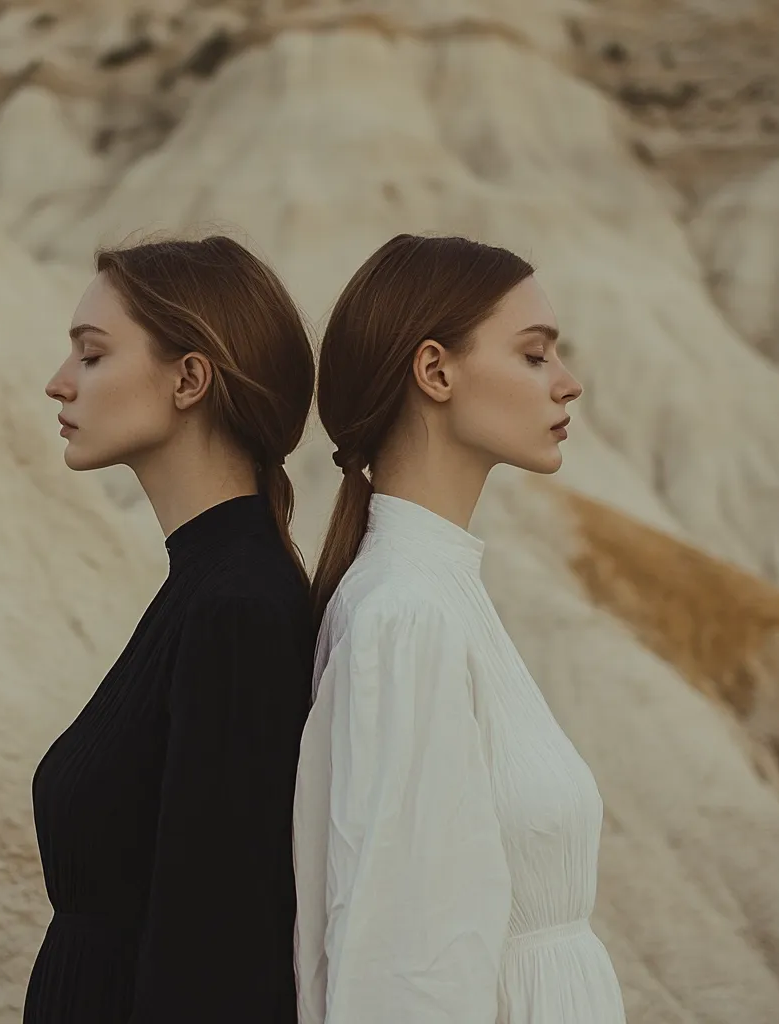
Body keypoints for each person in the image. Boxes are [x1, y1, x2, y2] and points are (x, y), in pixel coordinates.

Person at [292, 234, 628, 1024]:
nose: (568, 383)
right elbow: (404, 972)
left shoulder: (439, 593)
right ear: (436, 371)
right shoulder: (404, 616)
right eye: (535, 355)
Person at [26, 235, 315, 1024]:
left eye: (91, 355)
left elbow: (222, 960)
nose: (58, 382)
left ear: (190, 379)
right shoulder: (208, 588)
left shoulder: (236, 612)